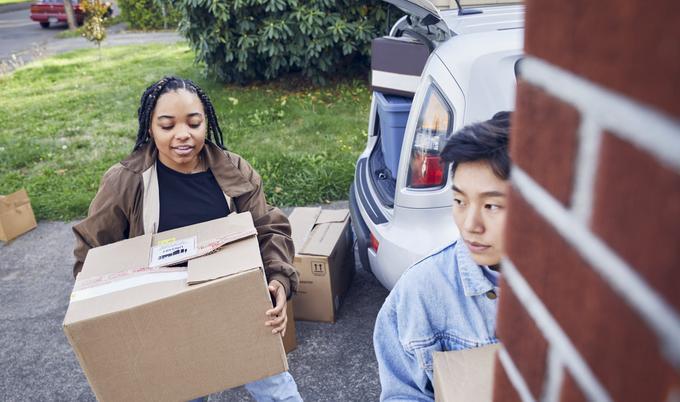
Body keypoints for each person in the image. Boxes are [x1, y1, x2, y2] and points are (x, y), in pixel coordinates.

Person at [72, 76, 302, 402]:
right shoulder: (126, 182)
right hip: (166, 323)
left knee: (280, 395)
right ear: (149, 128)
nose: (183, 134)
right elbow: (93, 250)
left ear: (206, 121)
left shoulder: (233, 170)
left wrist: (278, 278)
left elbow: (268, 228)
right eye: (167, 126)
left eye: (194, 123)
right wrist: (103, 321)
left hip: (236, 309)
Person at [373, 112, 512, 401]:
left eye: (492, 206)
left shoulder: (591, 289)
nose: (470, 225)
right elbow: (402, 394)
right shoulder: (421, 291)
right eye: (459, 201)